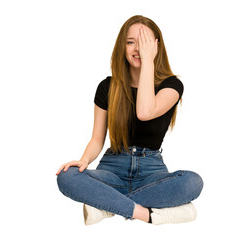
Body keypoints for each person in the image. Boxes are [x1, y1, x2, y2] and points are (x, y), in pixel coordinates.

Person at [56, 15, 203, 225]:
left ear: (156, 47)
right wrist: (84, 160)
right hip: (112, 168)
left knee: (193, 182)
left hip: (151, 172)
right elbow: (97, 138)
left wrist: (148, 62)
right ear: (122, 47)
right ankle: (148, 214)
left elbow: (145, 111)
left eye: (143, 42)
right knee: (66, 176)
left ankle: (106, 206)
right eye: (131, 42)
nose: (137, 49)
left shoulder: (171, 86)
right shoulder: (107, 87)